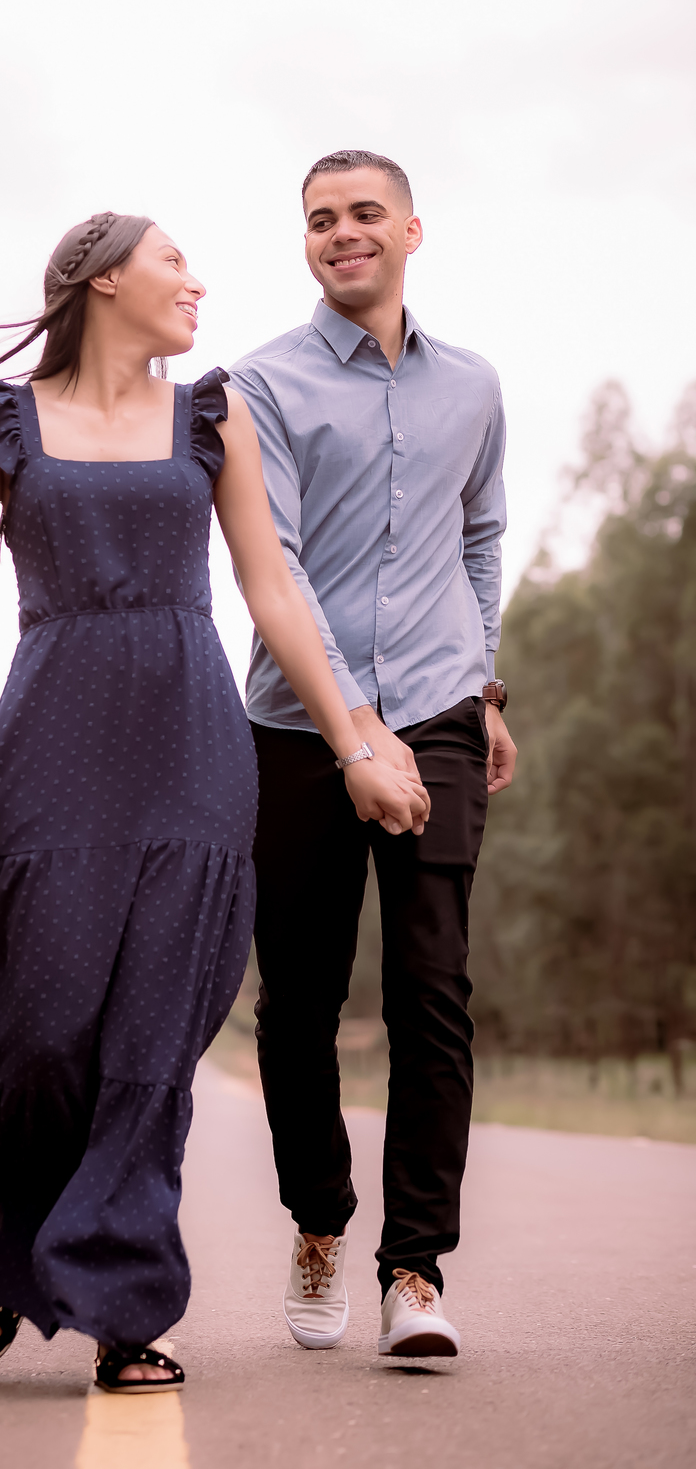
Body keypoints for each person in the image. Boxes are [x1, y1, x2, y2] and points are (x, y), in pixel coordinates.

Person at [0, 211, 429, 1392]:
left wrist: (351, 738)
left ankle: (128, 1305)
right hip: (52, 736)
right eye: (175, 259)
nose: (198, 281)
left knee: (151, 1039)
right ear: (101, 280)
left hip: (191, 739)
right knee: (38, 1020)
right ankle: (15, 1244)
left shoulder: (212, 412)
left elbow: (271, 588)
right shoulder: (2, 422)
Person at [230, 150, 517, 1359]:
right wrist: (355, 734)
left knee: (432, 991)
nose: (340, 235)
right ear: (306, 243)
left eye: (359, 216)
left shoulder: (475, 386)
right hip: (298, 729)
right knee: (297, 1003)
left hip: (446, 714)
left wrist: (485, 687)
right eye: (317, 221)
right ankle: (320, 1223)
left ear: (409, 229)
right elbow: (276, 566)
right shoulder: (259, 385)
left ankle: (417, 1270)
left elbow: (483, 534)